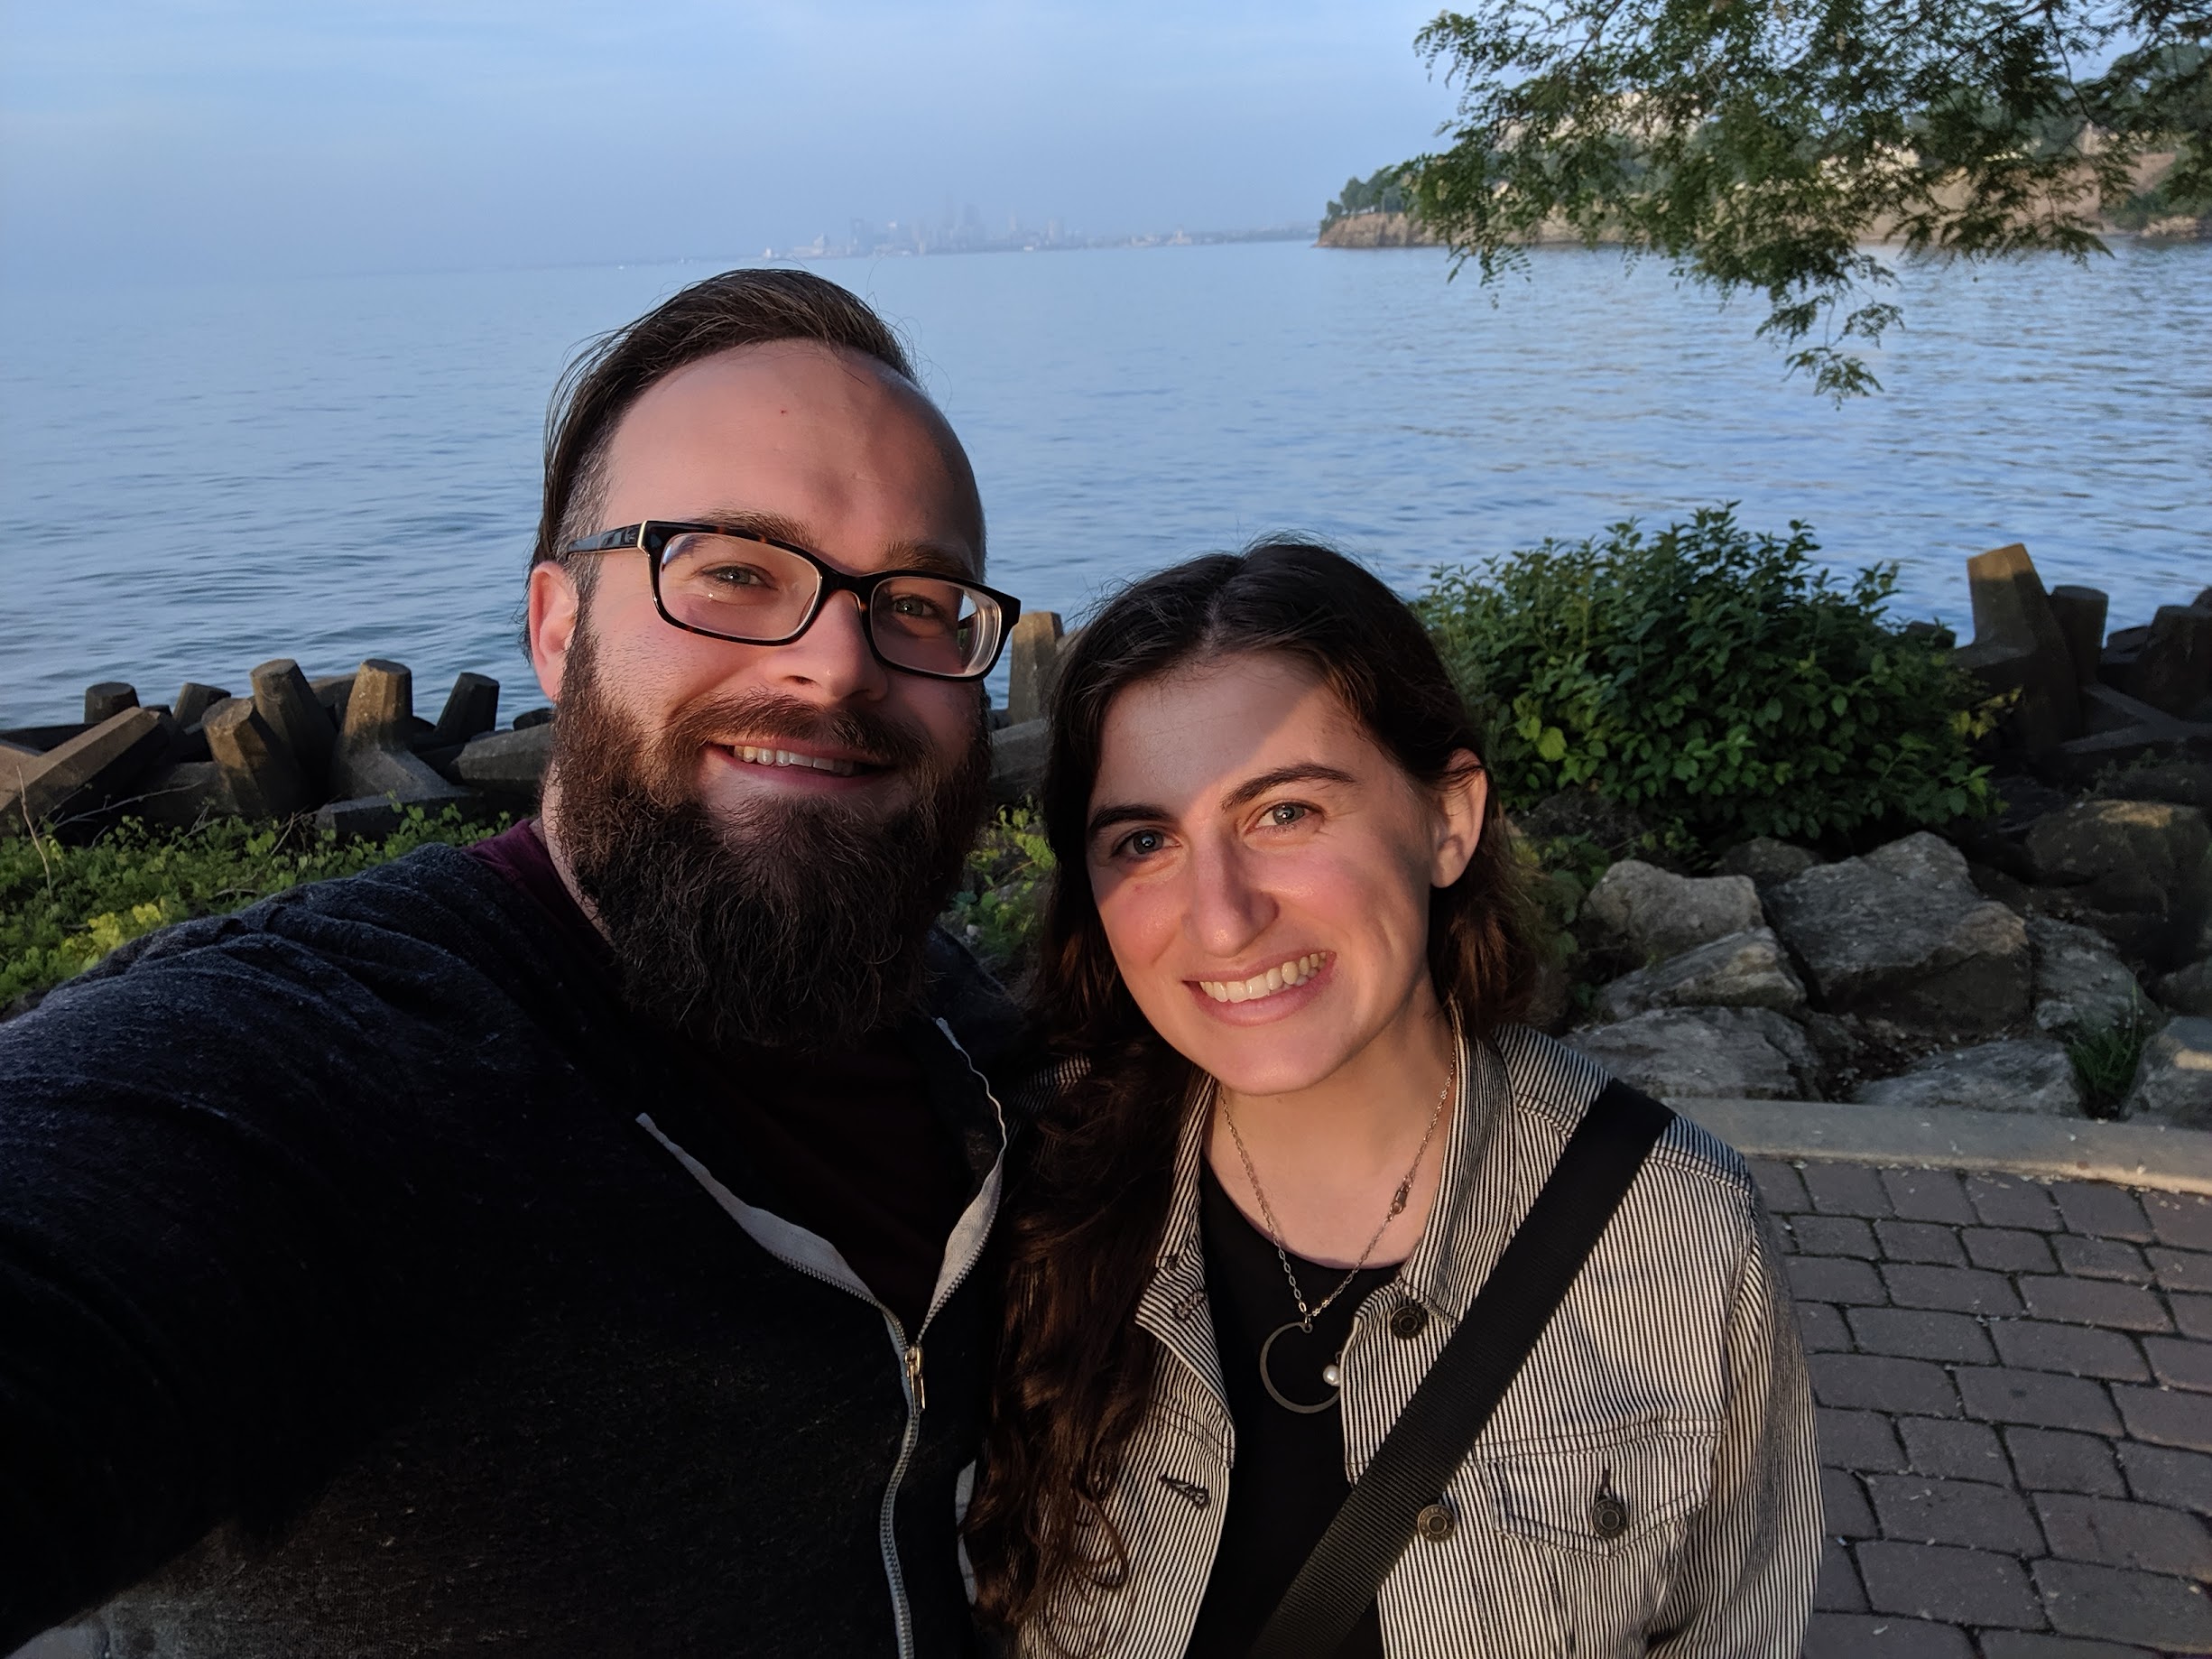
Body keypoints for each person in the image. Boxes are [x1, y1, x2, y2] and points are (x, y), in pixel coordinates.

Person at [0, 269, 1033, 1657]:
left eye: (916, 600)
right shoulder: (328, 1062)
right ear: (557, 628)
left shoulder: (979, 1055)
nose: (835, 666)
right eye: (733, 570)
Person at [965, 542, 1820, 1657]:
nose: (1221, 920)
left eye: (1286, 813)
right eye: (1146, 839)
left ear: (1449, 818)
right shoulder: (1032, 1191)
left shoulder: (1682, 1237)